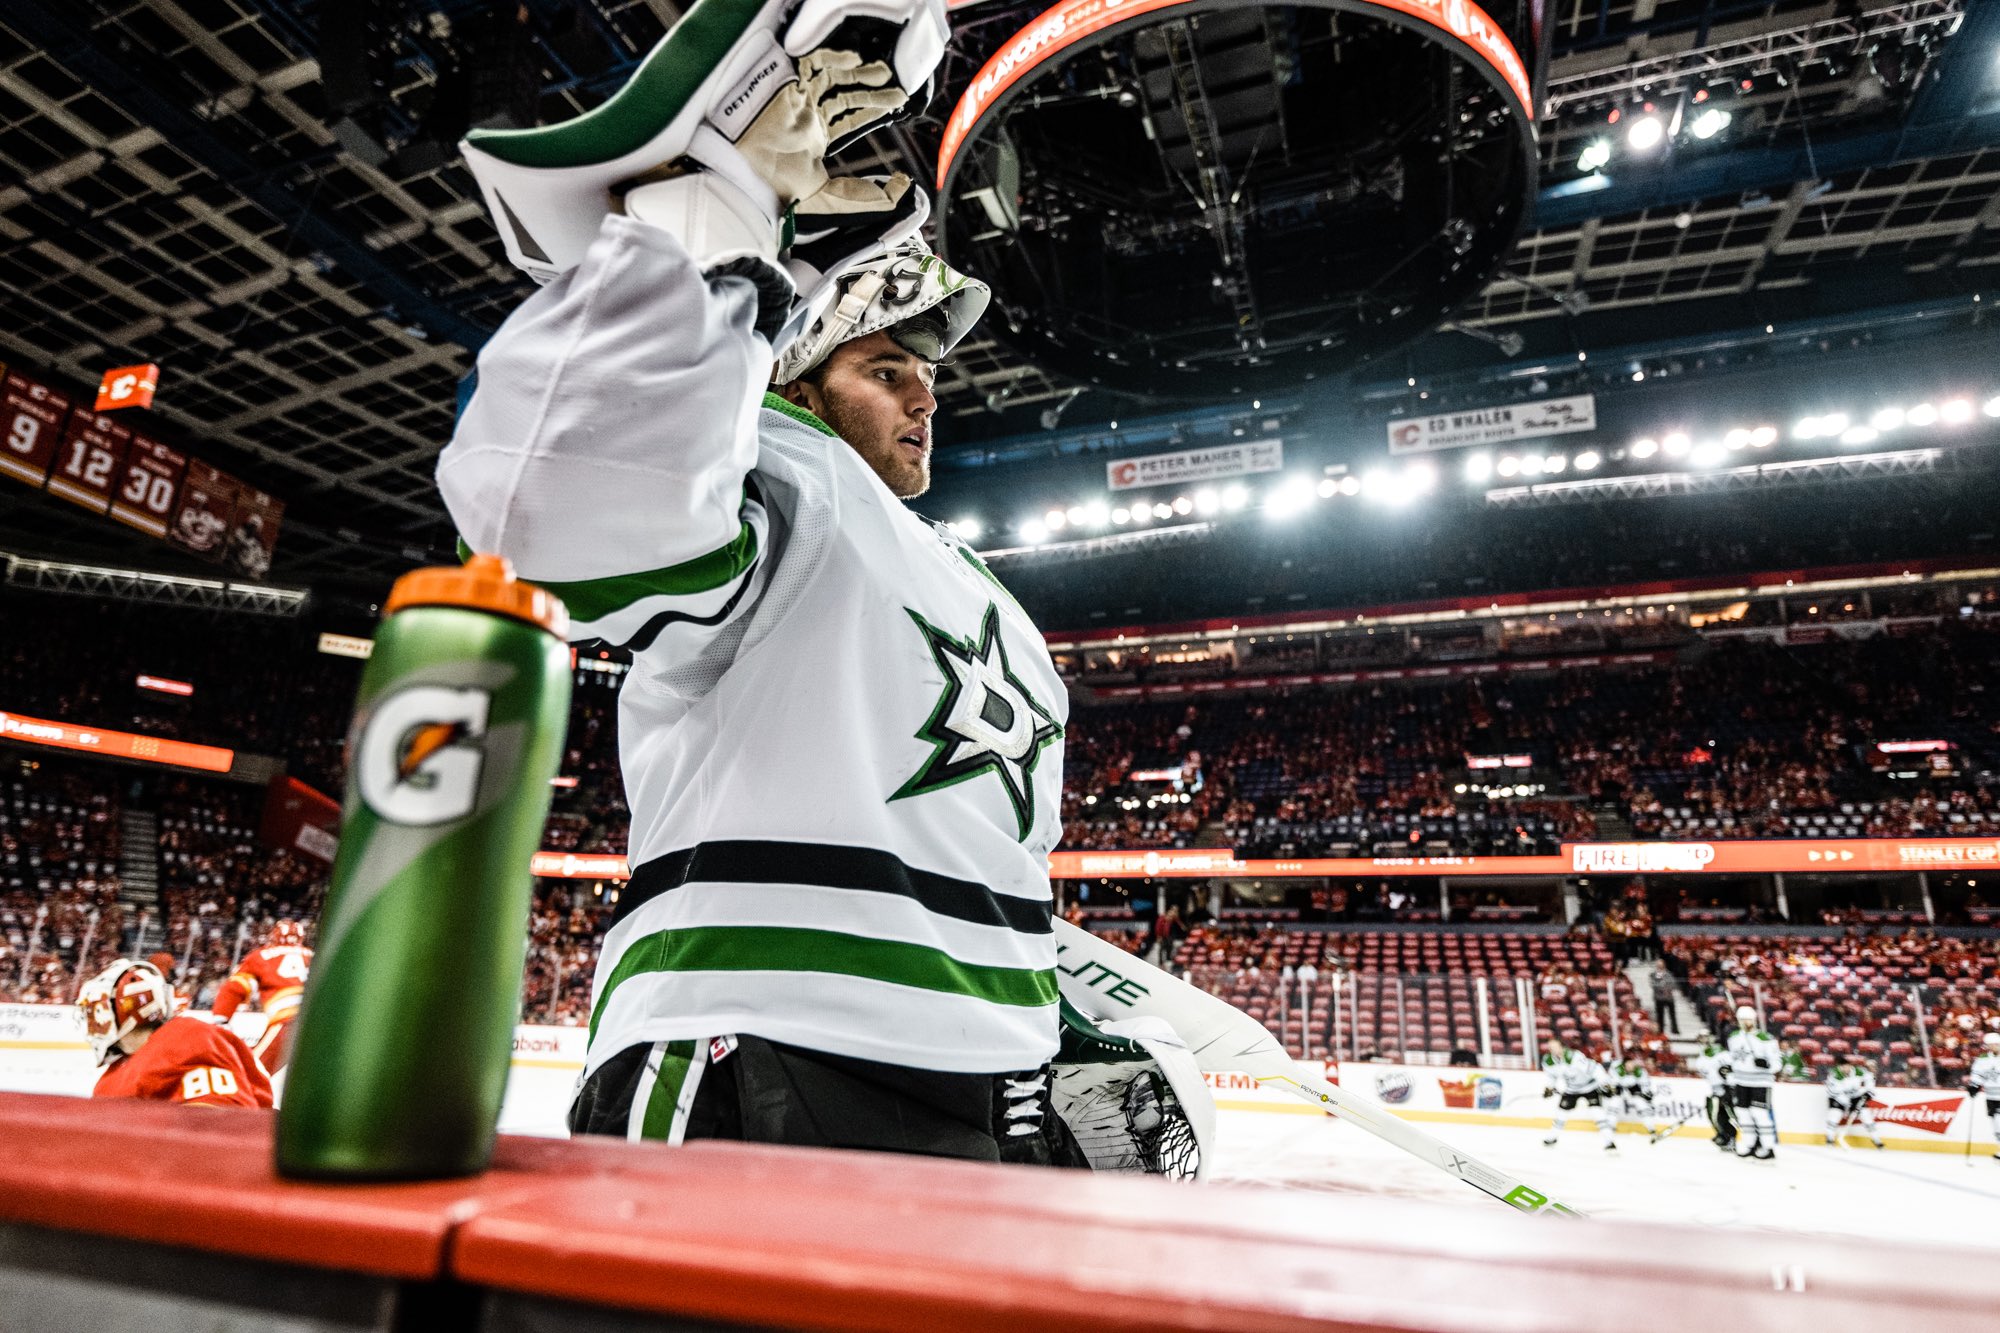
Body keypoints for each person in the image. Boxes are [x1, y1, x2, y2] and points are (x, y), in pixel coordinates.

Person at [441, 0, 1088, 1167]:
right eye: (886, 368)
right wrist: (714, 218)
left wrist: (1052, 1010)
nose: (925, 396)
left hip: (992, 1078)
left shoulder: (989, 594)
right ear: (788, 383)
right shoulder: (780, 473)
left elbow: (992, 845)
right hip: (759, 1035)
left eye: (925, 376)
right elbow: (551, 499)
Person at [79, 959, 272, 1109]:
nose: (92, 1022)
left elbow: (223, 1128)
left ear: (126, 1008)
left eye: (96, 1011)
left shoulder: (188, 1039)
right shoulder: (110, 1079)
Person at [210, 919, 312, 1072]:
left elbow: (235, 988)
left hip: (287, 1021)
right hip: (322, 1023)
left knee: (251, 1075)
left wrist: (220, 1018)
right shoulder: (314, 955)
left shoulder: (261, 956)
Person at [1722, 1004, 1781, 1160]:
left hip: (1760, 1082)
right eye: (1742, 1019)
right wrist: (1729, 1073)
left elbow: (1777, 1062)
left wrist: (1767, 1065)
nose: (1745, 1022)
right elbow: (1733, 1059)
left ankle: (1768, 1147)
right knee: (1743, 1114)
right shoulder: (1734, 1037)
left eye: (1748, 1019)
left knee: (1759, 1113)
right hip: (1741, 1080)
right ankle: (1750, 1144)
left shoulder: (1765, 1039)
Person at [1540, 1040, 1616, 1150]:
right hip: (1572, 1090)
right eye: (1550, 1048)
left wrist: (1606, 1084)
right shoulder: (1548, 1061)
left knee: (1598, 1114)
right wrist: (1549, 1087)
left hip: (1590, 1087)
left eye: (1555, 1047)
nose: (1553, 1050)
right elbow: (1551, 1076)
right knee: (1561, 1114)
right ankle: (1552, 1138)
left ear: (1561, 1047)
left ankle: (1609, 1142)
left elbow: (1595, 1068)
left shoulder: (1574, 1056)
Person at [1824, 1055, 1884, 1149]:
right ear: (1839, 1066)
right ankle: (1829, 1139)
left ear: (1850, 1065)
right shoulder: (1834, 1074)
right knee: (1835, 1115)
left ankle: (1877, 1141)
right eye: (1843, 1067)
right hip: (1838, 1097)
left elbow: (1870, 1078)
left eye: (1847, 1066)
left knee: (1866, 1116)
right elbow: (1831, 1091)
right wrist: (1848, 1104)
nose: (1846, 1069)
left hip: (1855, 1096)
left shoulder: (1858, 1071)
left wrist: (1869, 1092)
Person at [1691, 1038, 1736, 1151]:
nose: (1704, 1042)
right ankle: (1724, 1136)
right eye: (1701, 1039)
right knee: (1715, 1115)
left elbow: (1730, 1070)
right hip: (1717, 1091)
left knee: (1734, 1116)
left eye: (1705, 1038)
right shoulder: (1701, 1060)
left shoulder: (1723, 1054)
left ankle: (1744, 1139)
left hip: (1729, 1089)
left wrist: (1729, 1088)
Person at [1609, 1052, 1662, 1141]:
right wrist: (1613, 1088)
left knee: (1643, 1106)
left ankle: (1652, 1129)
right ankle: (1610, 1127)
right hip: (1619, 1086)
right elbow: (1612, 1082)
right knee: (1613, 1106)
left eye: (1632, 1063)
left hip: (1633, 1087)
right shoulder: (1617, 1069)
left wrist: (1646, 1093)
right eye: (1628, 1064)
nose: (1631, 1066)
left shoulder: (1640, 1071)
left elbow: (1645, 1084)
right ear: (1624, 1064)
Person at [1966, 1032, 2000, 1160]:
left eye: (1995, 1045)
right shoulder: (1983, 1058)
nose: (1992, 1047)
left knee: (1999, 1121)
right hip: (1991, 1095)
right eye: (1990, 1045)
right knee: (1995, 1123)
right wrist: (1974, 1085)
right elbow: (1978, 1073)